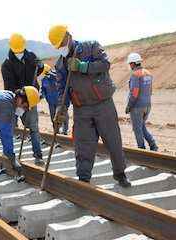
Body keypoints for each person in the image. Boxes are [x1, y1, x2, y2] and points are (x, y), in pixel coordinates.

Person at [48, 25, 131, 187]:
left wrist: (82, 66)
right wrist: (61, 108)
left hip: (103, 104)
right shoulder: (60, 65)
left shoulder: (91, 47)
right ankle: (84, 178)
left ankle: (120, 174)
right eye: (58, 46)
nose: (61, 47)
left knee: (113, 140)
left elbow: (105, 64)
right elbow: (61, 90)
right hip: (81, 109)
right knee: (83, 145)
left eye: (62, 43)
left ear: (69, 36)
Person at [1, 33, 44, 164]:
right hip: (16, 102)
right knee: (11, 128)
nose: (20, 52)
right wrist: (21, 94)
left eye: (21, 50)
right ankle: (9, 156)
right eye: (17, 50)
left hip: (30, 99)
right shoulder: (7, 65)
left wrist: (40, 66)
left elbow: (38, 71)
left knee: (33, 128)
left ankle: (38, 155)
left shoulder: (31, 57)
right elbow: (9, 86)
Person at [125, 53, 158, 151]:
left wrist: (129, 106)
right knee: (142, 127)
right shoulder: (148, 73)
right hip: (147, 105)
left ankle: (141, 149)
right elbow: (150, 90)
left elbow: (134, 93)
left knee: (137, 129)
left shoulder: (135, 75)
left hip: (137, 107)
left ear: (133, 64)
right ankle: (153, 145)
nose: (130, 66)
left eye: (130, 63)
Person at [40, 64, 69, 134]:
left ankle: (65, 132)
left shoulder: (57, 77)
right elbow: (43, 90)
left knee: (64, 117)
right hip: (51, 102)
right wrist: (41, 95)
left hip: (60, 102)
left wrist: (52, 75)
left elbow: (62, 83)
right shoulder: (44, 80)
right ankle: (56, 132)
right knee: (54, 118)